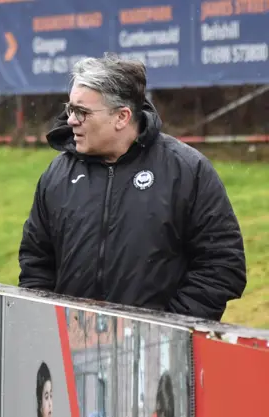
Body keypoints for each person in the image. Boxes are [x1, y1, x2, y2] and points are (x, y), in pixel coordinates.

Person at [18, 53, 246, 322]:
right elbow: (36, 263)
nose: (70, 120)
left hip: (158, 354)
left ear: (122, 117)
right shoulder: (57, 175)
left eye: (82, 112)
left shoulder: (186, 170)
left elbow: (221, 265)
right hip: (69, 353)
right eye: (70, 109)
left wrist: (169, 330)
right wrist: (48, 326)